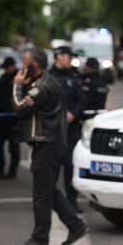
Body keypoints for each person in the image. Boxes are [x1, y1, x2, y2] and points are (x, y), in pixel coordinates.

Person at [12, 48, 89, 245]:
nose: (22, 67)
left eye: (25, 63)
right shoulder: (45, 81)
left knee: (41, 194)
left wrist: (16, 86)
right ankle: (76, 226)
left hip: (48, 143)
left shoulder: (42, 86)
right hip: (50, 142)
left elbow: (20, 107)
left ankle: (40, 238)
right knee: (48, 190)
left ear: (34, 66)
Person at [49, 46, 87, 214]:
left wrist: (73, 114)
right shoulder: (48, 77)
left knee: (70, 164)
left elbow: (82, 100)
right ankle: (50, 199)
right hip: (52, 128)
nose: (70, 59)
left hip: (71, 128)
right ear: (59, 56)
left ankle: (71, 200)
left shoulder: (74, 76)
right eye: (68, 56)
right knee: (51, 165)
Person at [0, 56, 20, 180]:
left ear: (12, 66)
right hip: (1, 116)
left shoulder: (19, 78)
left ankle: (12, 171)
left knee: (13, 147)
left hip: (14, 118)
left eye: (7, 68)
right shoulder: (3, 77)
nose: (5, 70)